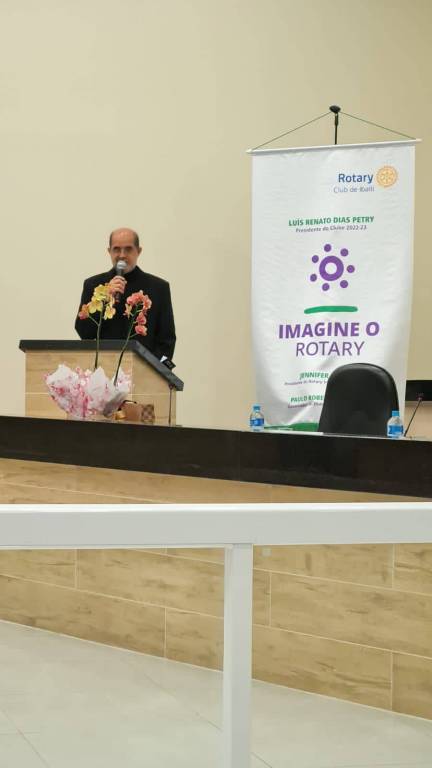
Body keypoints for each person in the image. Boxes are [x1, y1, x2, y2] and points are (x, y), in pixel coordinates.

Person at [75, 228, 176, 359]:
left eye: (128, 249)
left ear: (138, 251)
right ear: (109, 251)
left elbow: (167, 340)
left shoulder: (158, 288)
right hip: (103, 367)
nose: (122, 255)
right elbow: (84, 334)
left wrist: (154, 368)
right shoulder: (93, 285)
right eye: (116, 249)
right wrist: (105, 298)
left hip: (143, 367)